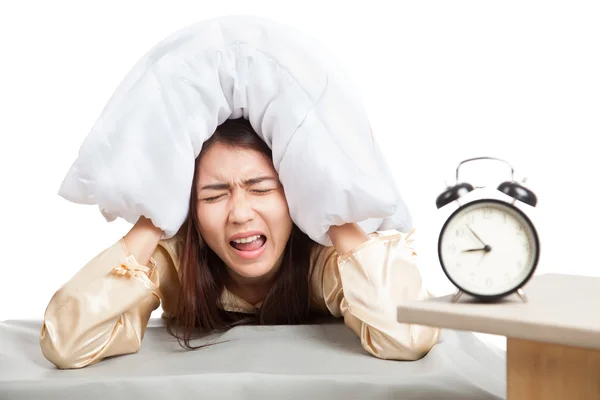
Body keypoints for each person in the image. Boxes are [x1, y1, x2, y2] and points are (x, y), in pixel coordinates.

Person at [40, 118, 440, 369]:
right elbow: (66, 343)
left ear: (295, 195)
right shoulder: (175, 261)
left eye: (261, 188)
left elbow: (409, 336)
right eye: (214, 196)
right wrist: (152, 220)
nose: (240, 213)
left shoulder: (324, 260)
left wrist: (336, 211)